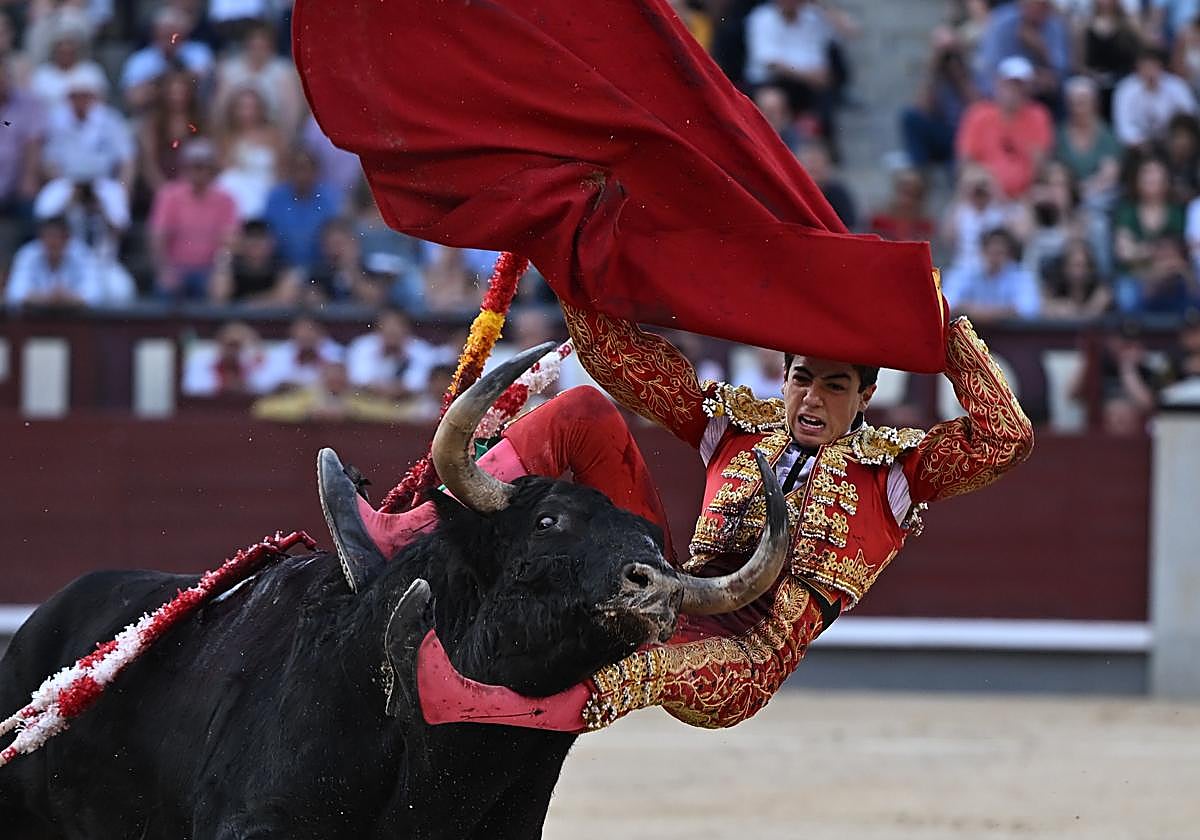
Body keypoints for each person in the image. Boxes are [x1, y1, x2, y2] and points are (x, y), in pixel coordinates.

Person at [317, 305, 1033, 731]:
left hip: (749, 652)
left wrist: (942, 327)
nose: (812, 399)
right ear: (783, 376)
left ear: (866, 396)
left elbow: (1007, 437)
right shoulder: (739, 427)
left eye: (835, 386)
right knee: (582, 410)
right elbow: (615, 361)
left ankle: (461, 701)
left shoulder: (896, 473)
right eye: (802, 378)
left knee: (646, 664)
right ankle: (401, 534)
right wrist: (576, 251)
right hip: (670, 588)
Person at [147, 137, 240, 300]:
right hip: (176, 269)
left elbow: (228, 242)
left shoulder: (226, 199)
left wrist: (221, 271)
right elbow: (158, 237)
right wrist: (164, 270)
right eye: (194, 166)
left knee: (221, 286)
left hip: (209, 270)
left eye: (203, 166)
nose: (199, 171)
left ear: (212, 169)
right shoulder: (169, 195)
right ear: (185, 167)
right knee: (165, 286)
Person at [956, 56, 1054, 201]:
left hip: (1024, 199)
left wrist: (1021, 197)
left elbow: (1039, 165)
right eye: (1010, 84)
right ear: (997, 83)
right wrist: (991, 187)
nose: (1015, 90)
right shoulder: (978, 115)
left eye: (1020, 85)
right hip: (984, 197)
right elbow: (965, 164)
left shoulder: (1038, 116)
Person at [120, 7, 214, 113]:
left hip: (195, 112)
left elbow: (204, 82)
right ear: (155, 33)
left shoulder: (199, 52)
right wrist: (168, 84)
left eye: (173, 33)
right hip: (153, 113)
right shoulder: (140, 60)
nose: (170, 38)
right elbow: (133, 99)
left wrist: (160, 84)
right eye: (164, 33)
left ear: (183, 33)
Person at [942, 226, 1042, 321]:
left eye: (1000, 252)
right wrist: (1003, 311)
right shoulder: (964, 272)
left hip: (1008, 332)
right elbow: (947, 304)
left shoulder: (1021, 276)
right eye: (991, 252)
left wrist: (972, 309)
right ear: (982, 251)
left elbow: (1029, 309)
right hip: (967, 331)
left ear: (1009, 254)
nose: (994, 258)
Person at [345, 307, 442, 399]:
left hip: (409, 401)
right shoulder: (362, 346)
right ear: (377, 328)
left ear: (407, 329)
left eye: (397, 325)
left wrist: (397, 389)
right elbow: (358, 378)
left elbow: (420, 382)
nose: (392, 330)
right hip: (368, 399)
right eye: (387, 325)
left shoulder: (421, 350)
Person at [4, 215, 101, 307]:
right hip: (35, 315)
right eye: (48, 236)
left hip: (77, 315)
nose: (53, 242)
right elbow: (14, 294)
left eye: (57, 237)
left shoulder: (82, 254)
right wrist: (47, 298)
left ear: (68, 239)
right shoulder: (28, 254)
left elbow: (96, 295)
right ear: (40, 238)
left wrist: (66, 298)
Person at [1111, 46, 1197, 148]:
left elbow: (1190, 115)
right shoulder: (1125, 89)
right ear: (1138, 68)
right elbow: (1123, 125)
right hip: (1139, 146)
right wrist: (1139, 141)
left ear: (1161, 67)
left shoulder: (1177, 86)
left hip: (1171, 142)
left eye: (1153, 67)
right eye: (1145, 67)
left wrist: (1175, 137)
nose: (1149, 72)